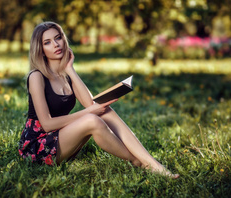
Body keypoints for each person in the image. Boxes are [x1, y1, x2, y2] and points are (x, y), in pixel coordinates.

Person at [18, 21, 179, 179]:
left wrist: (70, 69)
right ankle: (138, 161)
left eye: (58, 38)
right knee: (91, 119)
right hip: (36, 147)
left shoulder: (65, 76)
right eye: (47, 42)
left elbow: (91, 103)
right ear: (41, 50)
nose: (55, 44)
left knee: (104, 109)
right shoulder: (36, 76)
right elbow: (47, 124)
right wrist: (88, 112)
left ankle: (151, 162)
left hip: (59, 140)